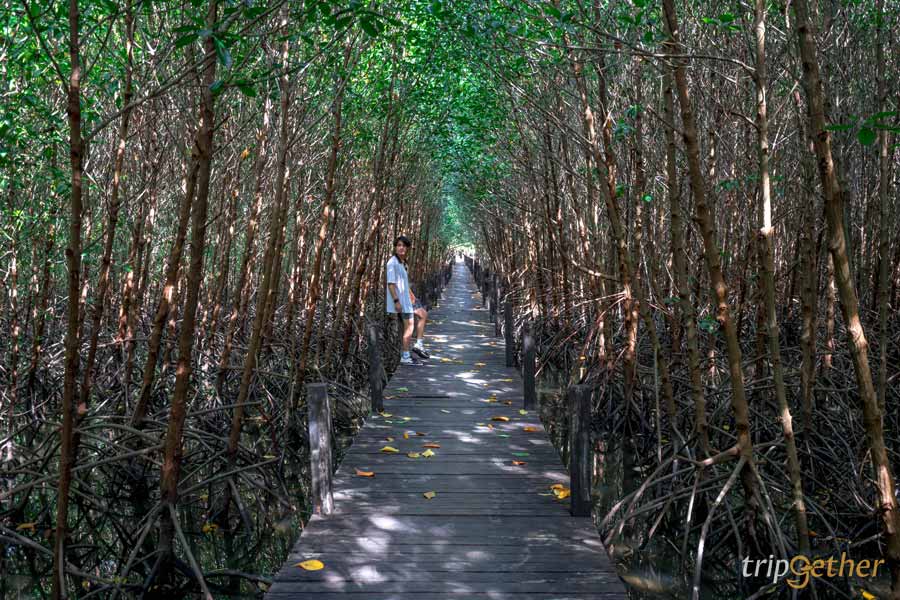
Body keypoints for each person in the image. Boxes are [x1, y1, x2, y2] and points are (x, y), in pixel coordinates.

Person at [386, 235, 429, 365]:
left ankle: (419, 344)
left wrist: (412, 295)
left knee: (423, 314)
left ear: (408, 248)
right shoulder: (392, 263)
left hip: (408, 299)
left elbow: (404, 282)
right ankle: (405, 356)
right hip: (401, 301)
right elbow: (391, 284)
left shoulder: (402, 262)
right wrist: (396, 301)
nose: (401, 248)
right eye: (399, 245)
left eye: (404, 246)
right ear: (395, 247)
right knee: (409, 327)